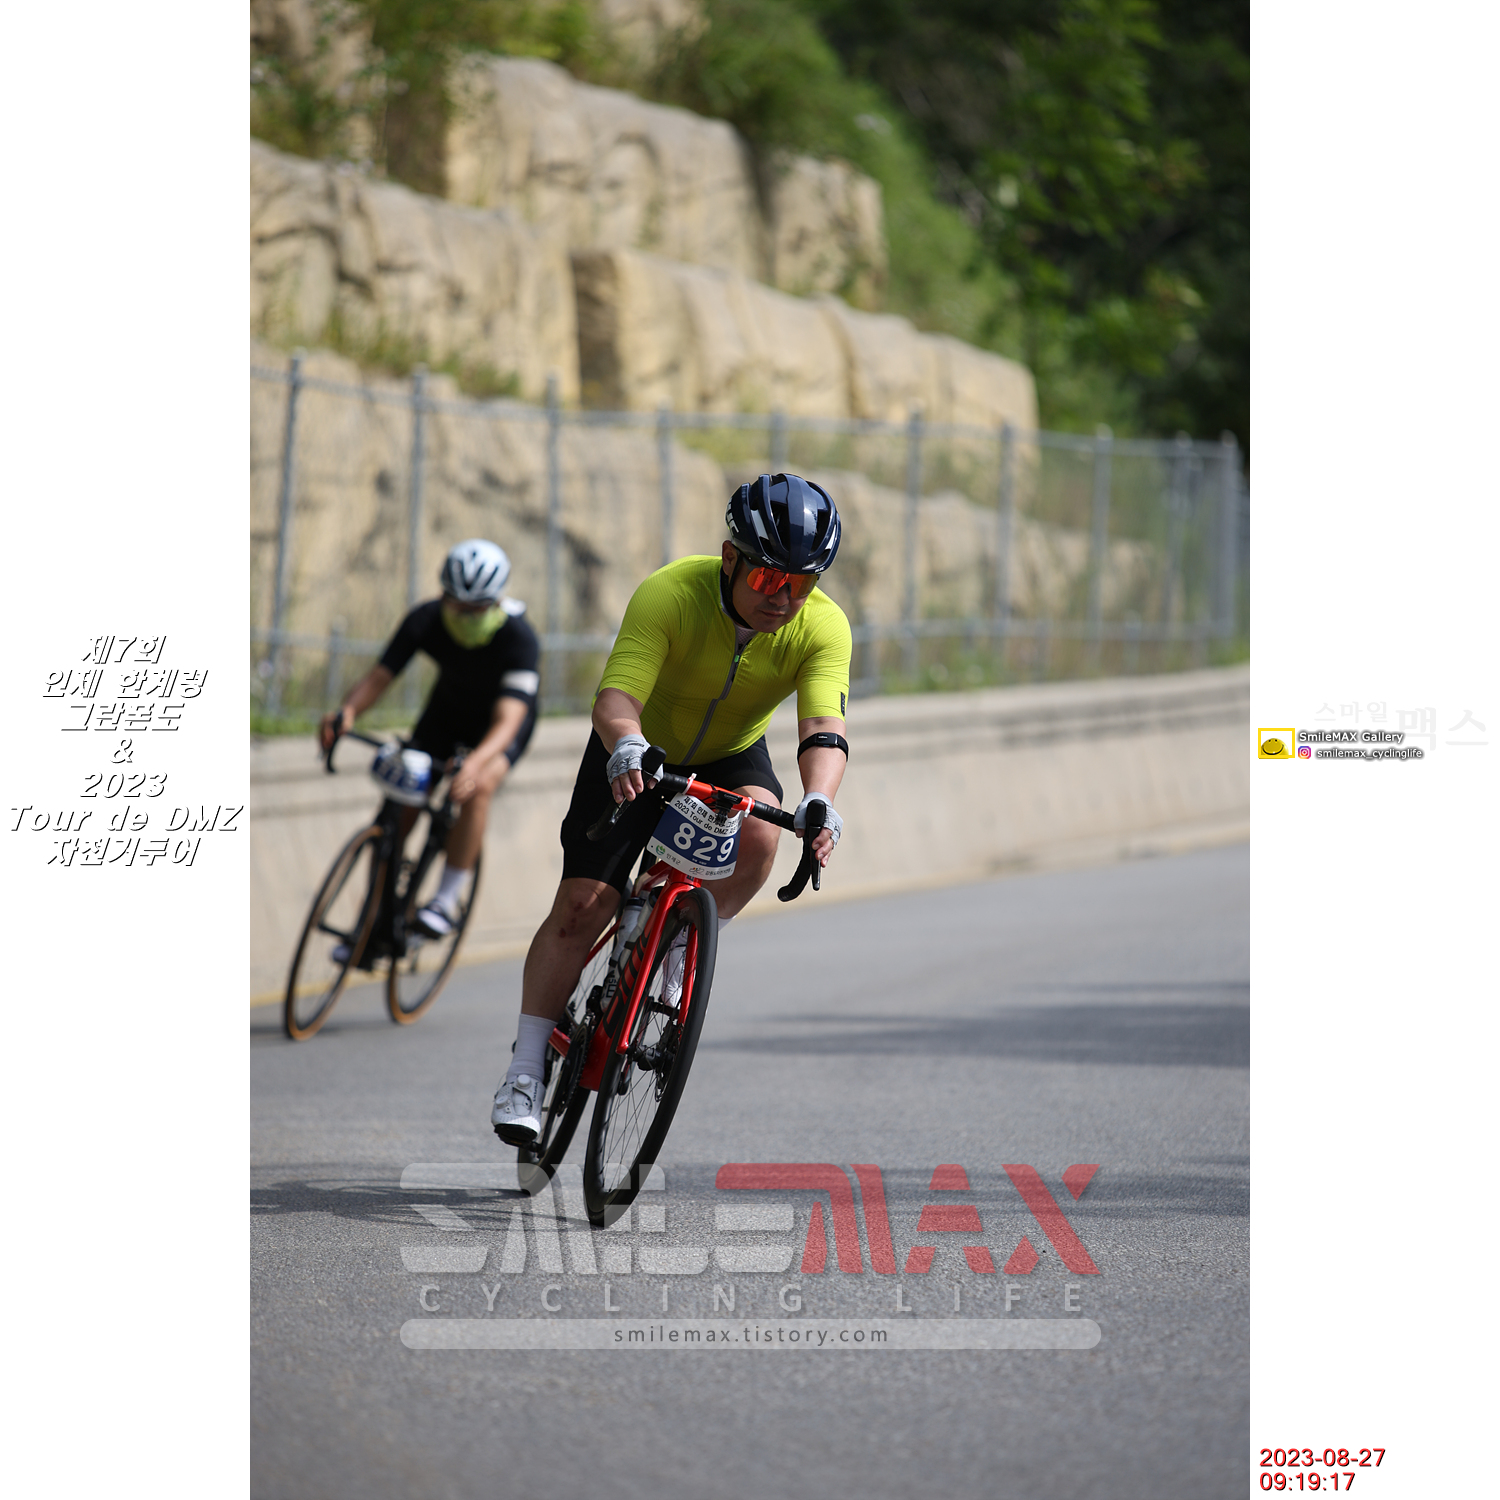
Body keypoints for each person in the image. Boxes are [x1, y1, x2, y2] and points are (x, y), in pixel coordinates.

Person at [492, 473, 851, 1144]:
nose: (783, 599)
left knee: (764, 829)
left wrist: (820, 800)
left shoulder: (824, 627)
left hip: (730, 754)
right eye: (769, 578)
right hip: (639, 749)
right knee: (582, 907)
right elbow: (615, 698)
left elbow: (824, 728)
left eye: (802, 585)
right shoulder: (671, 593)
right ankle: (525, 1069)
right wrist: (626, 746)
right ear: (730, 558)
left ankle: (680, 944)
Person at [319, 539, 540, 940]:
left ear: (497, 601)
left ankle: (444, 900)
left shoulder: (519, 638)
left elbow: (509, 719)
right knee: (401, 800)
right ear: (443, 595)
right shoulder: (426, 618)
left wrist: (474, 765)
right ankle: (372, 918)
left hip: (500, 727)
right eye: (456, 605)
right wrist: (347, 712)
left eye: (476, 608)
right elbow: (380, 677)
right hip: (446, 715)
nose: (465, 615)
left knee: (478, 786)